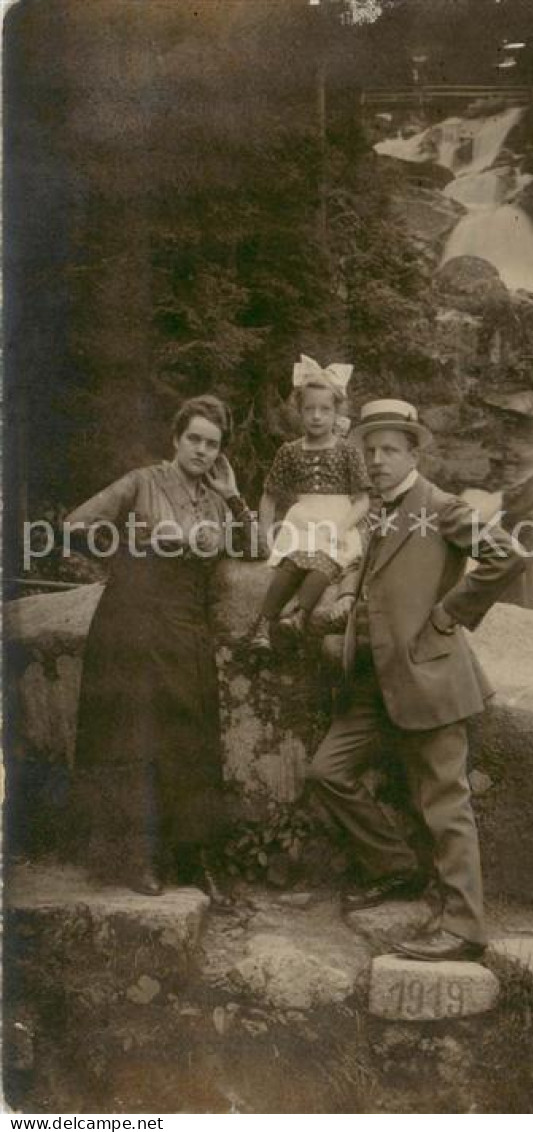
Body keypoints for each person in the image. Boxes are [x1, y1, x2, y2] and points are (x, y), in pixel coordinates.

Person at [307, 399, 527, 961]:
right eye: (370, 450)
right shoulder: (380, 509)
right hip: (373, 683)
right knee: (328, 772)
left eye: (389, 450)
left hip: (428, 677)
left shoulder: (440, 506)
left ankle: (465, 928)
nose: (377, 460)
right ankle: (397, 867)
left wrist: (450, 614)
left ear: (412, 454)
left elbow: (507, 555)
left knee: (446, 804)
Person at [67, 394, 252, 904]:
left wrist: (235, 497)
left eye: (212, 444)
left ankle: (194, 857)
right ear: (176, 439)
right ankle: (140, 857)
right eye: (193, 439)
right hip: (134, 622)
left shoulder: (217, 500)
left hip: (188, 626)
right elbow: (75, 528)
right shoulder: (142, 482)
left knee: (191, 737)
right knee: (136, 736)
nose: (201, 450)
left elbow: (255, 548)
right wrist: (131, 555)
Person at [250, 355, 370, 651]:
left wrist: (342, 527)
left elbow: (363, 500)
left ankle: (300, 615)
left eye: (325, 410)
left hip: (337, 521)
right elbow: (270, 495)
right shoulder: (289, 452)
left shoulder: (347, 452)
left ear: (336, 412)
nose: (317, 416)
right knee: (291, 564)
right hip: (303, 521)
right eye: (309, 409)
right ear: (299, 412)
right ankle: (263, 625)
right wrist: (266, 533)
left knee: (323, 564)